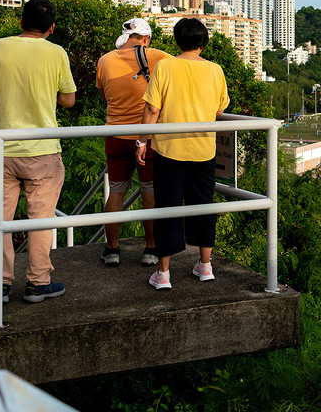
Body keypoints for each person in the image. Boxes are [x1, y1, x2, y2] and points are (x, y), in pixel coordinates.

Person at [0, 0, 76, 303]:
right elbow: (69, 100)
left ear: (20, 22)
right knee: (40, 218)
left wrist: (4, 106)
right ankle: (38, 282)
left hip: (2, 148)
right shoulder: (56, 52)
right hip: (42, 150)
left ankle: (0, 284)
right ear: (52, 27)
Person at [136, 18, 229, 290]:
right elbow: (220, 110)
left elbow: (152, 109)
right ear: (203, 43)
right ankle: (205, 265)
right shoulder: (215, 70)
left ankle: (163, 273)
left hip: (169, 148)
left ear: (176, 41)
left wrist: (142, 141)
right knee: (203, 204)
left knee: (167, 206)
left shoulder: (164, 66)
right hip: (203, 148)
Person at [95, 18, 171, 266]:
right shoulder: (156, 56)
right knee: (149, 192)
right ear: (146, 39)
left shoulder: (104, 60)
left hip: (115, 135)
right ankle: (150, 249)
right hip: (146, 138)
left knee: (116, 192)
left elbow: (103, 94)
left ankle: (112, 250)